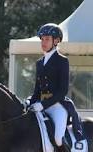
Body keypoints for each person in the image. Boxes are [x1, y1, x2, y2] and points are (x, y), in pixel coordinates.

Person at [29, 23, 84, 151]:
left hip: (57, 106)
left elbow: (62, 91)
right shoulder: (39, 63)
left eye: (47, 39)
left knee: (58, 138)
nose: (43, 42)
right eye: (42, 39)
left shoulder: (62, 60)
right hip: (40, 105)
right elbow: (37, 89)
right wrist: (30, 102)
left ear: (56, 41)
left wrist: (43, 105)